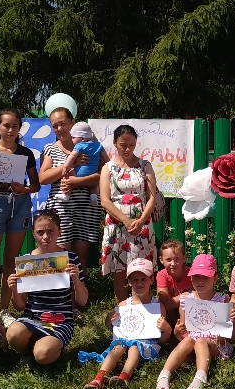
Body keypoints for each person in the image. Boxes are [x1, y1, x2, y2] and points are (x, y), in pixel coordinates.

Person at [0, 109, 41, 326]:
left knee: (11, 261)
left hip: (19, 204)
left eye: (15, 126)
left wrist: (24, 189)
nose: (11, 130)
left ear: (19, 128)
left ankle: (3, 311)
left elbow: (35, 185)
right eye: (6, 125)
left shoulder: (25, 153)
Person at [6, 210, 88, 367]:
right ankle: (29, 352)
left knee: (43, 354)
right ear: (33, 234)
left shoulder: (71, 258)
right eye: (40, 232)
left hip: (61, 319)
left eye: (50, 231)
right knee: (13, 334)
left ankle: (47, 348)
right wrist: (14, 289)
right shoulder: (26, 262)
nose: (45, 236)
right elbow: (20, 306)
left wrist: (77, 280)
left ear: (59, 232)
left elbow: (82, 301)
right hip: (32, 316)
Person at [80, 258, 172, 389]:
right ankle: (98, 379)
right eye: (135, 279)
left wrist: (167, 330)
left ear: (151, 280)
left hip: (147, 345)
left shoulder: (158, 307)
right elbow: (116, 332)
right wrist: (109, 321)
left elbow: (160, 340)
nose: (139, 283)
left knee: (134, 346)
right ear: (129, 282)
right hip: (124, 340)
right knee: (118, 346)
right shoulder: (124, 305)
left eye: (144, 279)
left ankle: (123, 378)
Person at [39, 106, 106, 273]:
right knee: (60, 254)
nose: (59, 129)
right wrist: (72, 163)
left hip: (87, 206)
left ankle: (78, 290)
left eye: (63, 123)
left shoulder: (92, 146)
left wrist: (76, 182)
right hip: (60, 208)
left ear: (72, 123)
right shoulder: (50, 148)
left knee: (81, 256)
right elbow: (43, 178)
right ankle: (59, 290)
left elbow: (104, 175)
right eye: (55, 126)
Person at [156, 254, 231, 389]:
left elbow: (224, 338)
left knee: (201, 341)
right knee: (189, 340)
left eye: (205, 277)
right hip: (190, 343)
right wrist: (178, 331)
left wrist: (227, 324)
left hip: (213, 344)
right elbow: (183, 333)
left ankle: (200, 378)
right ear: (191, 278)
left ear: (215, 279)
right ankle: (164, 375)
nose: (200, 281)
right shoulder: (186, 300)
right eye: (196, 276)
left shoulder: (222, 300)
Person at [100, 125, 158, 303]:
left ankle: (143, 308)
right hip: (116, 225)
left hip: (142, 225)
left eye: (131, 145)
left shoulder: (145, 166)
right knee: (118, 270)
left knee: (141, 270)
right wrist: (125, 220)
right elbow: (105, 200)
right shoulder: (108, 168)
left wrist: (140, 221)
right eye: (123, 145)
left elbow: (152, 197)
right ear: (115, 143)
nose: (127, 149)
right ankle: (122, 310)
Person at [53, 121, 109, 206]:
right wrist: (110, 166)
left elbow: (71, 157)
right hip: (93, 171)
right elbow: (105, 158)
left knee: (67, 177)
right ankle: (93, 196)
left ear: (82, 138)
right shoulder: (98, 145)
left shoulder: (80, 146)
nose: (72, 140)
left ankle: (66, 194)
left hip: (80, 172)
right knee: (93, 186)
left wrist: (65, 168)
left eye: (73, 137)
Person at [156, 240, 193, 329]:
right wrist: (185, 295)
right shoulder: (162, 275)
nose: (173, 263)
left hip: (189, 312)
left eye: (177, 259)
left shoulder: (191, 274)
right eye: (168, 259)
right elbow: (165, 305)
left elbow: (200, 298)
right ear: (161, 260)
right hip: (171, 315)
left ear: (184, 258)